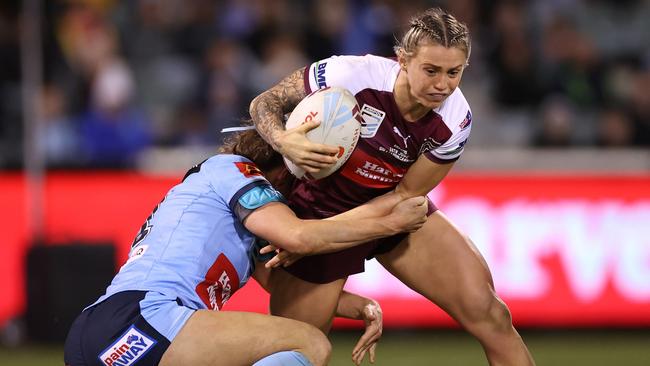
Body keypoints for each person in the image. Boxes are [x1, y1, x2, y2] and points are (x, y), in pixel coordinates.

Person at [249, 7, 536, 366]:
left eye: (454, 72)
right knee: (297, 350)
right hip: (318, 207)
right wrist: (283, 142)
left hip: (388, 209)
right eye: (430, 71)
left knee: (492, 315)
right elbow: (265, 103)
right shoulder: (350, 74)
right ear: (402, 60)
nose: (442, 85)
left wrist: (311, 237)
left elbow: (405, 198)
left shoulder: (455, 119)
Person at [63, 128, 428, 366]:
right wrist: (388, 224)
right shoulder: (233, 169)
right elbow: (298, 236)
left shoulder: (236, 215)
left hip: (107, 331)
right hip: (145, 319)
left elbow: (281, 284)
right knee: (308, 343)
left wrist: (361, 305)